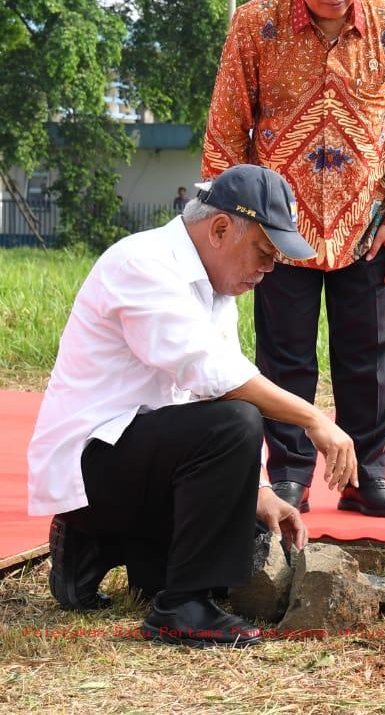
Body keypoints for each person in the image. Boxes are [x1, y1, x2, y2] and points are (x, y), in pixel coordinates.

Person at [27, 165, 358, 647]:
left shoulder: (216, 289)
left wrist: (259, 490)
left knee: (233, 521)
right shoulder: (141, 263)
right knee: (234, 423)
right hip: (91, 468)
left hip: (137, 466)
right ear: (221, 229)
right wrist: (313, 418)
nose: (266, 272)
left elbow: (205, 395)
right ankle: (182, 610)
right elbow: (214, 377)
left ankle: (97, 547)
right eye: (264, 253)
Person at [201, 0, 385, 517]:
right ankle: (291, 475)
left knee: (369, 355)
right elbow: (226, 131)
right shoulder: (254, 25)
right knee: (284, 358)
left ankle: (367, 473)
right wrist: (231, 227)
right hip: (278, 232)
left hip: (366, 228)